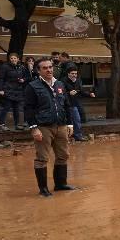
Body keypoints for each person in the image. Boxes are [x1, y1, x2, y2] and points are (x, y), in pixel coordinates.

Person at [25, 57, 74, 197]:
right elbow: (28, 109)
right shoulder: (33, 86)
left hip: (61, 125)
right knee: (42, 158)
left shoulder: (59, 84)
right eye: (45, 68)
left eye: (50, 67)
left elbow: (67, 105)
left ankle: (60, 184)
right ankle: (43, 189)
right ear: (38, 70)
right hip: (43, 127)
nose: (49, 70)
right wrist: (34, 128)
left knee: (63, 155)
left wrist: (70, 123)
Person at [0, 52, 29, 131]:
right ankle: (1, 124)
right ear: (9, 59)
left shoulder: (21, 67)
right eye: (11, 58)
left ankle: (17, 124)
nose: (13, 60)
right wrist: (0, 89)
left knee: (16, 108)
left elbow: (26, 76)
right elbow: (1, 78)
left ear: (18, 59)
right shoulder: (5, 67)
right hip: (8, 89)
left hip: (18, 90)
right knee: (6, 107)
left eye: (15, 58)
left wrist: (23, 80)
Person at [63, 67, 95, 142]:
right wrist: (68, 93)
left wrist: (89, 94)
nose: (74, 75)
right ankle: (66, 137)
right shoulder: (63, 81)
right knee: (66, 121)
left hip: (74, 103)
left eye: (75, 73)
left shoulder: (78, 81)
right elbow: (60, 93)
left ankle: (77, 136)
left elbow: (81, 91)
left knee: (77, 119)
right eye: (72, 73)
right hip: (65, 104)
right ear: (68, 74)